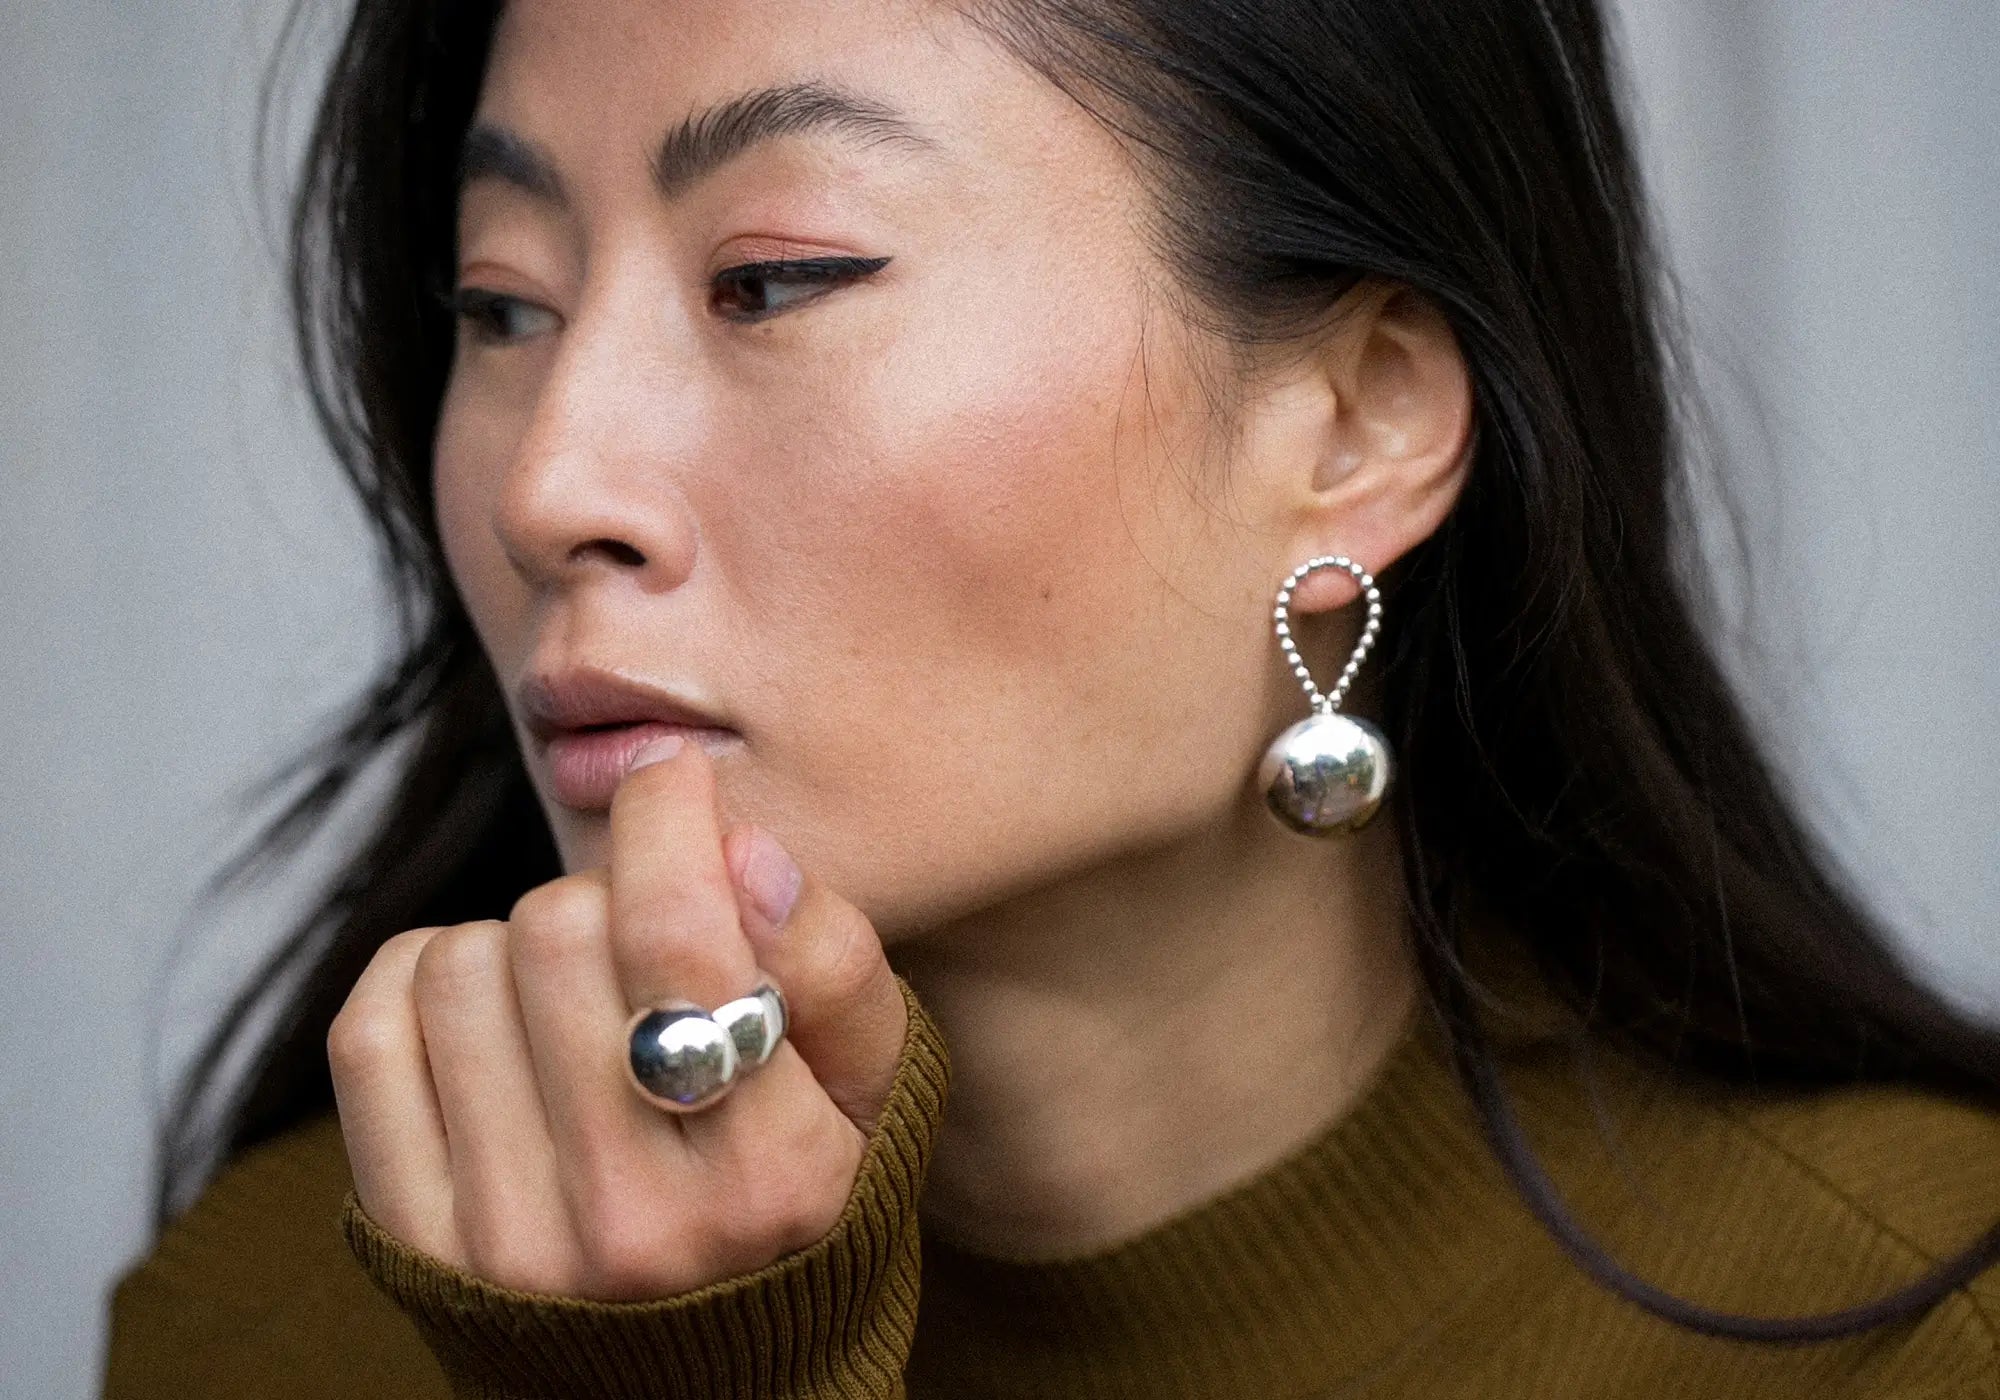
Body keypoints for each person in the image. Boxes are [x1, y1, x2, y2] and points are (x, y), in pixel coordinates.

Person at [101, 0, 2000, 1395]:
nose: (545, 485)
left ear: (1352, 418)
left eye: (773, 279)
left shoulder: (1906, 1326)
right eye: (500, 305)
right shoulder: (268, 1322)